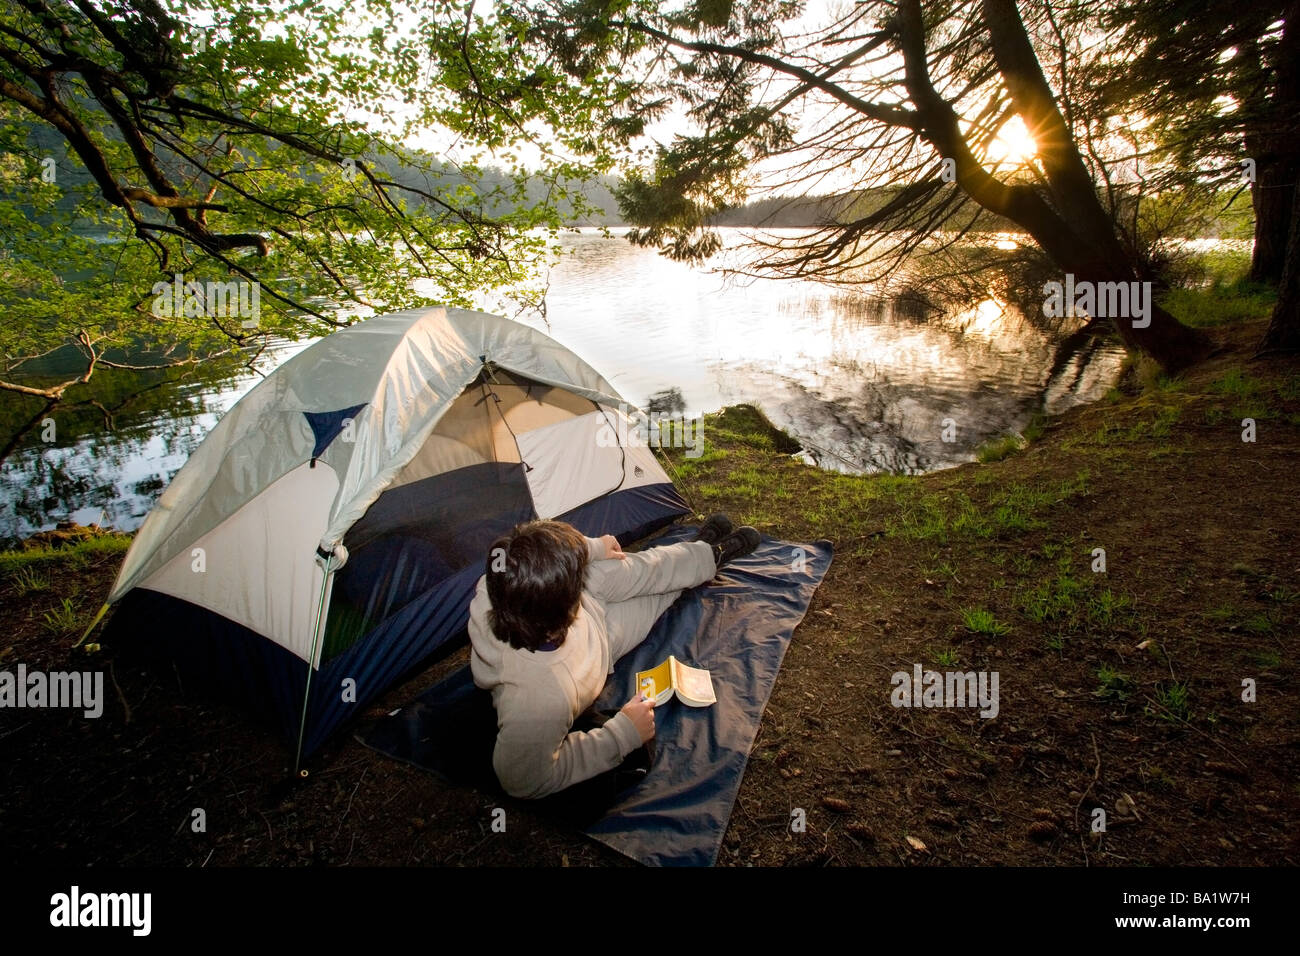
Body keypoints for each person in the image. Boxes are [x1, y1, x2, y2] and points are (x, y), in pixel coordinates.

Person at [468, 514, 760, 800]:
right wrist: (622, 735)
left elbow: (544, 546)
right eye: (577, 570)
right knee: (656, 597)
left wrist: (595, 547)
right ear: (571, 600)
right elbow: (522, 780)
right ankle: (704, 556)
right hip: (603, 639)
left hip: (576, 608)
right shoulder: (539, 701)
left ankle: (702, 552)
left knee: (645, 568)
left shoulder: (501, 578)